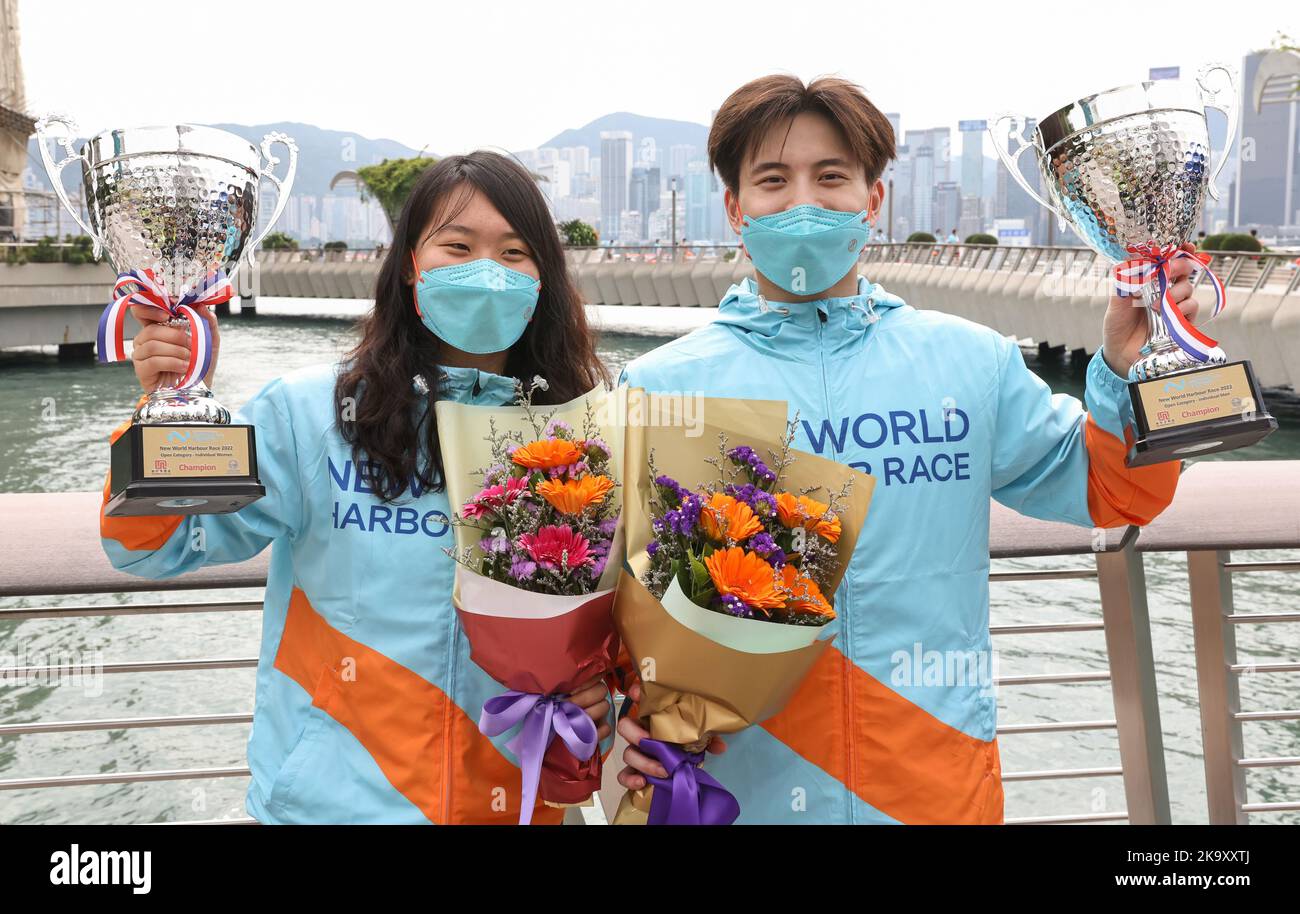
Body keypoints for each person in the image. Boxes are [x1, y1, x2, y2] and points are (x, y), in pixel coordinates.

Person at [615, 75, 1197, 824]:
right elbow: (619, 597)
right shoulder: (657, 386)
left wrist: (1124, 370)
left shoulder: (969, 361)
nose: (804, 202)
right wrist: (623, 707)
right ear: (734, 208)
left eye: (832, 177)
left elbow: (1109, 490)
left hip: (935, 788)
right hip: (739, 794)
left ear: (874, 199)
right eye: (772, 180)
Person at [99, 151, 614, 824]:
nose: (487, 272)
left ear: (544, 277)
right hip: (327, 810)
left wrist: (605, 701)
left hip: (514, 808)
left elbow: (613, 631)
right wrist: (170, 406)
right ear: (409, 265)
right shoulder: (305, 413)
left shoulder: (581, 435)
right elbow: (156, 545)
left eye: (515, 254)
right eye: (456, 246)